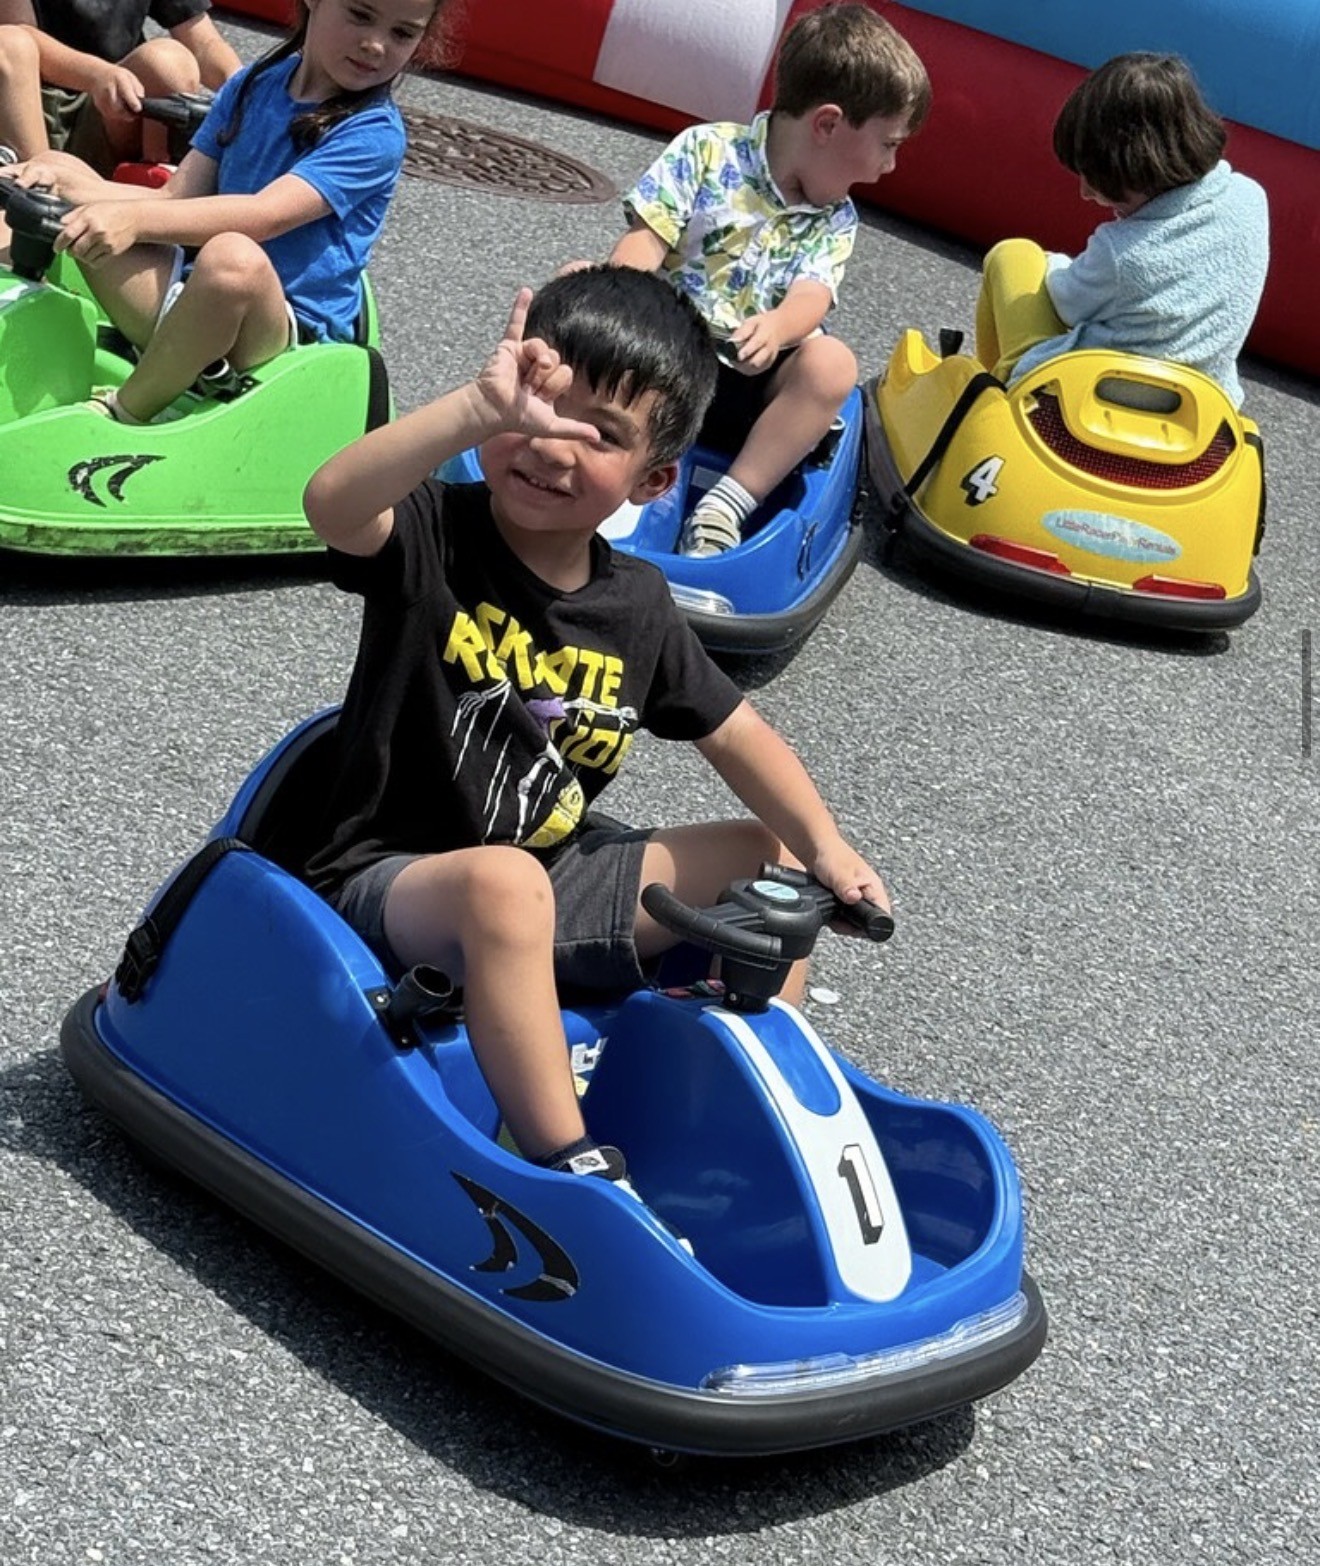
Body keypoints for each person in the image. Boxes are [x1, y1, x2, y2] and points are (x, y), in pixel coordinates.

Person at [300, 264, 892, 1197]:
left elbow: (737, 733)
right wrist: (473, 410)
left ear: (652, 480)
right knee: (504, 886)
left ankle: (738, 1103)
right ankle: (565, 1168)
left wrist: (827, 849)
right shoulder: (435, 532)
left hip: (548, 873)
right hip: (394, 877)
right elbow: (331, 501)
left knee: (765, 861)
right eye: (540, 407)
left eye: (601, 434)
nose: (552, 444)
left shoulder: (638, 605)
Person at [0, 0, 445, 423]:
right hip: (193, 292)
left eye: (403, 33)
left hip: (280, 335)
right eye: (361, 14)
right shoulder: (255, 83)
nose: (376, 44)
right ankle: (28, 327)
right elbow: (175, 198)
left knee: (233, 257)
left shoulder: (373, 133)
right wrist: (69, 185)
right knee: (59, 170)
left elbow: (264, 216)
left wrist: (129, 220)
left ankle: (129, 410)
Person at [606, 2, 930, 556]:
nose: (889, 167)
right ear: (827, 124)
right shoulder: (707, 151)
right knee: (583, 284)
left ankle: (728, 503)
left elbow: (813, 294)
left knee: (833, 365)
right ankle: (578, 439)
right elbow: (645, 241)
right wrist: (613, 302)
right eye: (889, 144)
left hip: (753, 384)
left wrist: (780, 327)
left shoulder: (836, 218)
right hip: (664, 359)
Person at [974, 52, 1270, 409]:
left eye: (1096, 179)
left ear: (1137, 166)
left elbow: (1066, 302)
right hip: (1201, 403)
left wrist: (1052, 264)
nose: (1085, 192)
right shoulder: (1251, 200)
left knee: (1012, 255)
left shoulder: (1123, 255)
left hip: (1090, 398)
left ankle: (992, 393)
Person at [0, 0, 241, 170]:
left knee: (168, 63)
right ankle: (35, 189)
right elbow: (18, 33)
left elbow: (204, 43)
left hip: (108, 108)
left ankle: (145, 176)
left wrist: (246, 88)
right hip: (27, 105)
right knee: (8, 43)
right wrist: (96, 74)